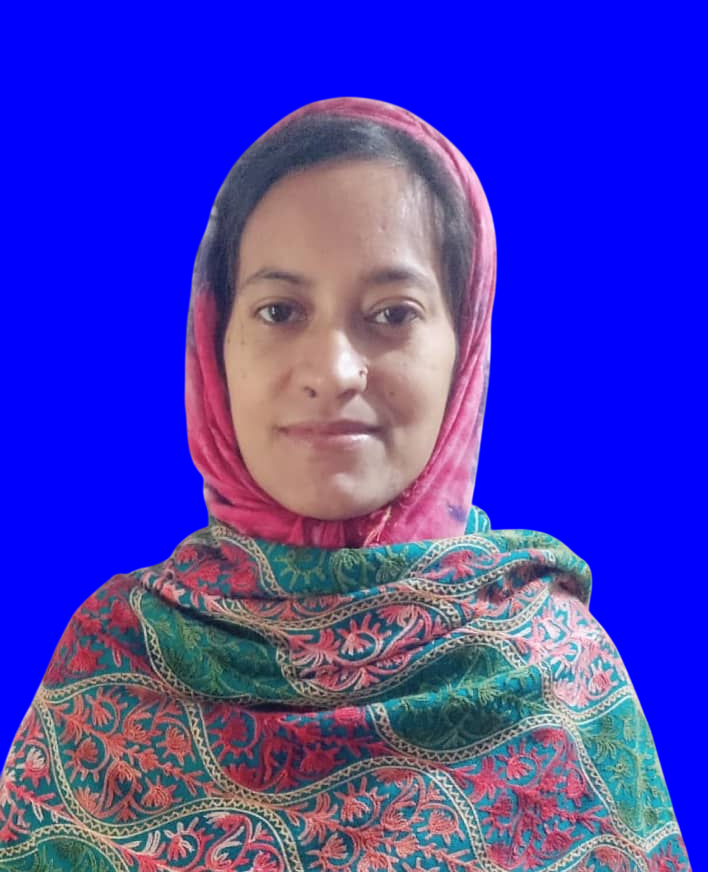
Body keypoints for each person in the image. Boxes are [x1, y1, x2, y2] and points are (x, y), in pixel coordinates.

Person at [0, 98, 690, 870]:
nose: (332, 372)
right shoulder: (117, 663)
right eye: (279, 311)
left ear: (465, 344)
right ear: (215, 342)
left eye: (392, 314)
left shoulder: (553, 669)